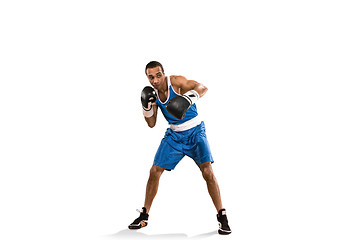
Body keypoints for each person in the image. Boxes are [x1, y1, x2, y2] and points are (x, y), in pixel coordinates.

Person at [128, 61, 231, 235]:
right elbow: (152, 124)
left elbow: (202, 87)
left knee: (208, 172)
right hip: (174, 136)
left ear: (163, 73)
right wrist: (146, 107)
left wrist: (187, 98)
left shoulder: (176, 82)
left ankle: (222, 216)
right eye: (151, 77)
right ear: (147, 77)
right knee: (154, 172)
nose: (155, 80)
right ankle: (144, 216)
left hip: (195, 131)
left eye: (158, 75)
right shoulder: (152, 94)